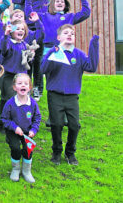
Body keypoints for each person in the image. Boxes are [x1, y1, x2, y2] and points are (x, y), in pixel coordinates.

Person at [41, 24, 99, 166]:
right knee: (57, 124)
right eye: (66, 33)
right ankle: (56, 152)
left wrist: (94, 45)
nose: (69, 35)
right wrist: (50, 55)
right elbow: (43, 69)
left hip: (72, 96)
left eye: (72, 33)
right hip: (55, 95)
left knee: (74, 125)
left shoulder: (78, 54)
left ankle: (70, 153)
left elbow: (91, 67)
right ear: (59, 37)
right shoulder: (54, 52)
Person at [0, 16, 44, 133]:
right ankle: (3, 123)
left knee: (21, 99)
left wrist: (30, 56)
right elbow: (3, 49)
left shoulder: (24, 44)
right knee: (8, 99)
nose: (21, 31)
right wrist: (6, 35)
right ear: (12, 31)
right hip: (9, 75)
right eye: (17, 29)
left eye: (23, 29)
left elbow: (41, 34)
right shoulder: (9, 42)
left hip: (21, 76)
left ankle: (19, 122)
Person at [0, 73, 41, 183]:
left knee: (28, 149)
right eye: (19, 83)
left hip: (27, 131)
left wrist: (34, 129)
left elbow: (37, 117)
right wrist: (14, 127)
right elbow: (4, 119)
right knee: (16, 148)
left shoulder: (32, 103)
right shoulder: (10, 103)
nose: (23, 85)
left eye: (26, 83)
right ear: (14, 87)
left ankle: (26, 171)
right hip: (13, 131)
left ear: (30, 87)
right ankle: (16, 169)